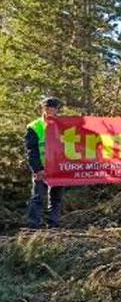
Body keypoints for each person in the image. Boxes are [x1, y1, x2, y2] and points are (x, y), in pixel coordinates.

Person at [26, 97, 65, 228]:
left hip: (58, 167)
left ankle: (53, 224)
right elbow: (32, 150)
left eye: (53, 108)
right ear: (44, 109)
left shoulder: (63, 125)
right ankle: (34, 226)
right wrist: (37, 169)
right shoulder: (35, 126)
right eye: (48, 108)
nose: (51, 111)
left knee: (56, 198)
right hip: (41, 168)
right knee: (38, 197)